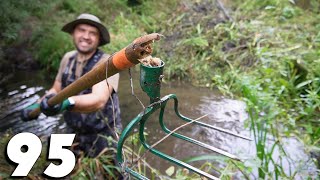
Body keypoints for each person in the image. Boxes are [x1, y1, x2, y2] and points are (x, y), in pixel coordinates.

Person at [29, 13, 122, 158]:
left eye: (92, 33)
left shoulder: (107, 63)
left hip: (104, 134)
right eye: (82, 30)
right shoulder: (68, 58)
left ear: (99, 39)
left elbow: (99, 100)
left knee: (112, 174)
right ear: (73, 33)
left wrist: (67, 102)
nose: (86, 36)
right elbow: (56, 88)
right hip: (73, 130)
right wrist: (37, 105)